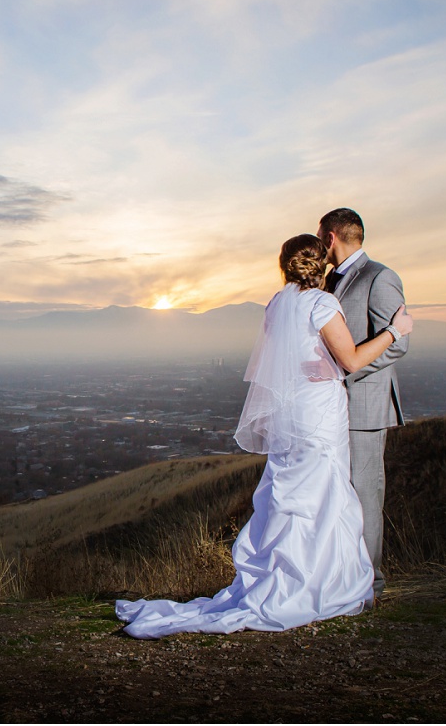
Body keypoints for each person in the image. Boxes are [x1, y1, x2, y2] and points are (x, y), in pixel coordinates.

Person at [115, 234, 413, 639]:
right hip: (319, 415)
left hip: (290, 415)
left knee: (291, 497)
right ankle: (324, 584)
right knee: (325, 495)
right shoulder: (322, 304)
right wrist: (396, 331)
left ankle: (290, 575)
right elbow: (351, 359)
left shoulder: (276, 305)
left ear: (285, 265)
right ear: (322, 263)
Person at [317, 208, 408, 601]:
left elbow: (398, 342)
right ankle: (342, 577)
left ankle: (370, 585)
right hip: (332, 407)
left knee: (365, 495)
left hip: (365, 407)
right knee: (338, 495)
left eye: (321, 237)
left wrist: (344, 372)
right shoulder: (326, 280)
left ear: (331, 237)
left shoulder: (380, 277)